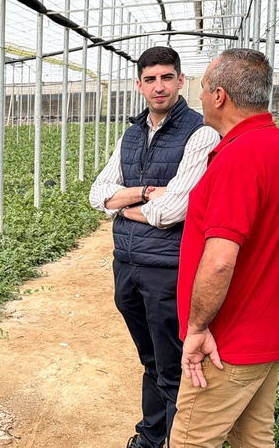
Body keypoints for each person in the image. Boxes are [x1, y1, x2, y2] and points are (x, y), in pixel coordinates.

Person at [170, 48, 279, 447]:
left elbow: (218, 262)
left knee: (191, 440)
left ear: (219, 97)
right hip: (268, 330)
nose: (198, 96)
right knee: (253, 437)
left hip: (230, 339)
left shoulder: (240, 156)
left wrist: (197, 328)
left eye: (202, 88)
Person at [89, 46, 220, 448]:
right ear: (139, 85)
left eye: (166, 77)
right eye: (150, 79)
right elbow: (97, 194)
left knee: (172, 363)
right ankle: (151, 434)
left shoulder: (201, 132)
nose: (158, 86)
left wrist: (124, 205)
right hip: (126, 264)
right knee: (150, 359)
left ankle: (173, 440)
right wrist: (146, 193)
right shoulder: (131, 134)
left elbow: (175, 209)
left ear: (181, 80)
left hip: (167, 268)